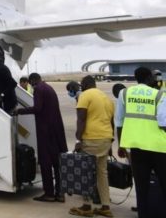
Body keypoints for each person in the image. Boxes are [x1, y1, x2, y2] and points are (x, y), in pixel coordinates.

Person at [116, 67, 166, 218]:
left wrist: (121, 145)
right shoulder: (159, 94)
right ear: (149, 78)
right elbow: (163, 122)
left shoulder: (124, 93)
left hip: (136, 148)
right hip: (159, 148)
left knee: (141, 188)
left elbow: (119, 121)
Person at [16, 73, 68, 203]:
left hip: (46, 131)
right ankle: (60, 193)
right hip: (56, 130)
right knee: (57, 163)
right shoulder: (49, 88)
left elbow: (38, 108)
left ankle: (49, 193)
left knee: (45, 163)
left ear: (32, 81)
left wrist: (19, 111)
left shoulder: (38, 89)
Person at [69, 75, 115, 217]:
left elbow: (81, 118)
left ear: (84, 84)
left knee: (86, 173)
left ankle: (86, 206)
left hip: (91, 139)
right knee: (102, 173)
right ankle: (105, 206)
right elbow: (111, 121)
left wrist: (78, 139)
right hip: (106, 138)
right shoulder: (106, 98)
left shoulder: (85, 95)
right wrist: (111, 141)